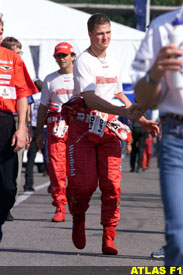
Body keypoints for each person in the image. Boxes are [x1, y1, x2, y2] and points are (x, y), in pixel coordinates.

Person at [61, 13, 159, 255]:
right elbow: (91, 98)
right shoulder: (83, 61)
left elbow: (119, 93)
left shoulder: (114, 61)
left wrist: (143, 119)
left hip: (109, 130)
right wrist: (121, 110)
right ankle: (79, 216)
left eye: (108, 33)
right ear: (90, 35)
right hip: (83, 128)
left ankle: (108, 235)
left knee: (112, 186)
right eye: (100, 34)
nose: (105, 38)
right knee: (83, 187)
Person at [131, 5, 183, 268]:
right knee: (178, 237)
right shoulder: (163, 26)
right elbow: (142, 96)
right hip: (176, 135)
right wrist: (155, 74)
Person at [0, 43, 38, 241]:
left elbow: (23, 94)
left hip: (5, 121)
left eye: (0, 31)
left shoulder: (12, 58)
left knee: (8, 187)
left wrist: (23, 127)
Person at [36, 42, 75, 222]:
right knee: (57, 170)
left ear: (72, 56)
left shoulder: (82, 77)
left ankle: (76, 205)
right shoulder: (50, 79)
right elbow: (43, 107)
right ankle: (60, 206)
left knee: (76, 170)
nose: (61, 59)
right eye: (58, 56)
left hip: (77, 128)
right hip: (55, 127)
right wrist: (38, 132)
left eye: (64, 55)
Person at [24, 79, 44, 192]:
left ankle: (28, 184)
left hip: (34, 128)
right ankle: (54, 185)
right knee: (50, 157)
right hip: (44, 128)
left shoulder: (32, 97)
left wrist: (28, 125)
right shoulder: (46, 96)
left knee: (30, 159)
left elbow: (28, 112)